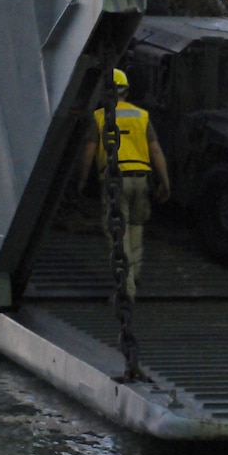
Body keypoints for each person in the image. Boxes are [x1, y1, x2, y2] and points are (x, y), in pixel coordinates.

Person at [79, 69, 170, 301]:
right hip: (141, 179)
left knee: (118, 234)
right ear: (126, 91)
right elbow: (156, 150)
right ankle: (135, 272)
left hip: (114, 180)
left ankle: (125, 289)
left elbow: (89, 151)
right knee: (137, 225)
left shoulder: (100, 117)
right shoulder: (142, 116)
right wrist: (165, 180)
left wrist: (82, 180)